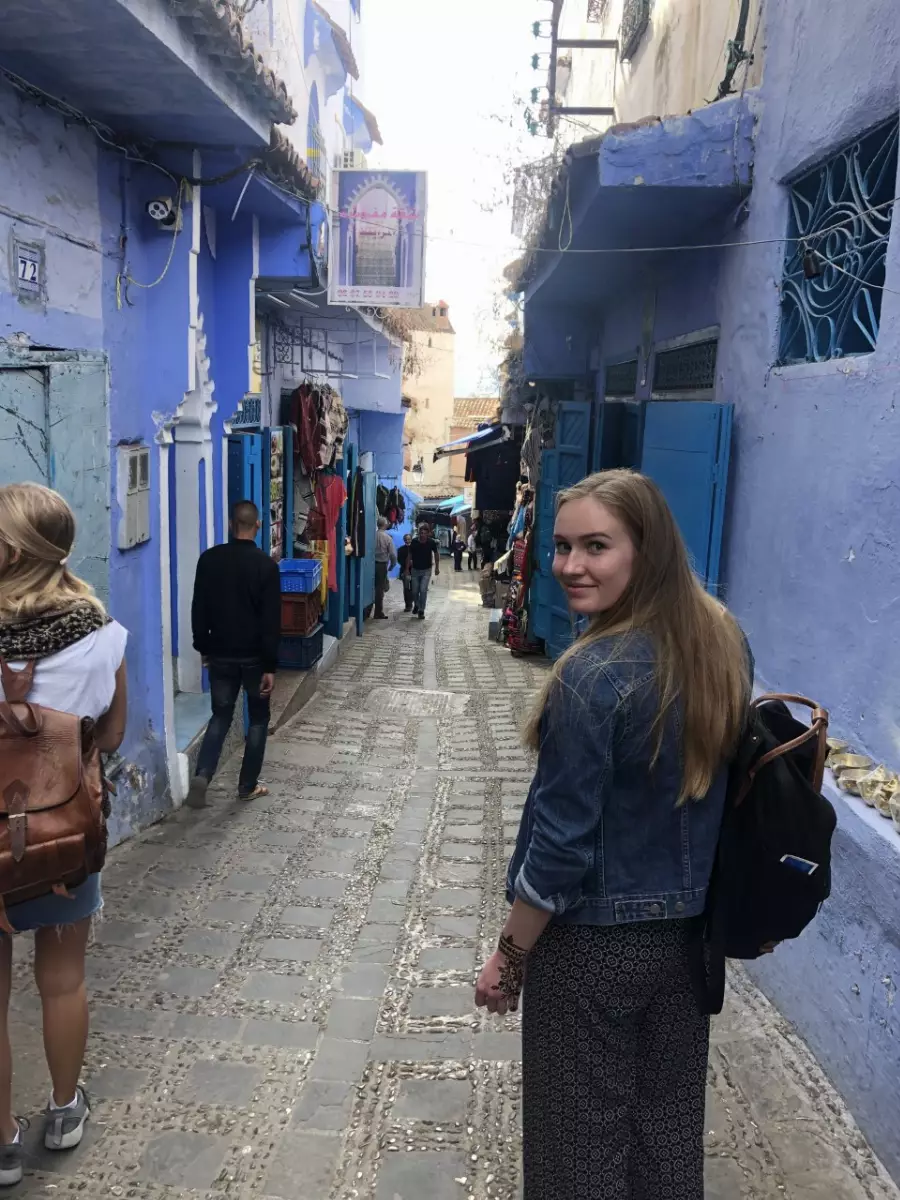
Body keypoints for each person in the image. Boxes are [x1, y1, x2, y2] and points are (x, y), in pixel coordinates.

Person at [475, 469, 749, 1200]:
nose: (570, 565)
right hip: (686, 943)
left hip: (591, 949)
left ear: (646, 550)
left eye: (596, 546)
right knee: (665, 1140)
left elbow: (560, 848)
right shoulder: (722, 642)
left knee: (577, 1153)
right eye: (563, 546)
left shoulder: (592, 676)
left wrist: (510, 955)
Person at [0, 483, 129, 1182]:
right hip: (63, 838)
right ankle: (63, 1110)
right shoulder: (101, 634)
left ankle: (1, 1143)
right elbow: (110, 734)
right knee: (62, 978)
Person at [188, 500, 281, 808]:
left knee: (220, 715)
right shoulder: (266, 566)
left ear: (231, 525)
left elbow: (198, 608)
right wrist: (270, 666)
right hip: (255, 658)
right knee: (258, 719)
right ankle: (247, 785)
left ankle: (203, 774)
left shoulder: (209, 560)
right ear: (257, 526)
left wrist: (203, 647)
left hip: (220, 654)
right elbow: (271, 621)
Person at [405, 523, 440, 620]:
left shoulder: (431, 542)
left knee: (423, 590)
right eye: (421, 533)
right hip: (415, 570)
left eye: (424, 533)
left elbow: (436, 554)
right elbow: (409, 556)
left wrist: (437, 567)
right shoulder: (414, 542)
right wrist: (407, 569)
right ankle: (417, 604)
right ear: (419, 533)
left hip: (426, 570)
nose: (422, 535)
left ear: (428, 533)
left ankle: (421, 610)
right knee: (414, 591)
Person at [374, 516, 398, 620]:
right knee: (380, 589)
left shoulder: (372, 535)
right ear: (385, 525)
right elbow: (393, 554)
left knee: (370, 586)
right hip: (382, 565)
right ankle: (378, 612)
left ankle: (366, 610)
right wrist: (392, 565)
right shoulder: (387, 538)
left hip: (370, 564)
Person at [397, 533, 414, 612]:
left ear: (411, 539)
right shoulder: (400, 549)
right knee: (406, 589)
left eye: (409, 539)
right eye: (406, 539)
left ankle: (412, 601)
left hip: (414, 571)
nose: (407, 541)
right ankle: (408, 605)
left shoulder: (415, 548)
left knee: (414, 588)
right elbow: (399, 560)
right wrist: (407, 564)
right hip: (405, 571)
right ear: (404, 540)